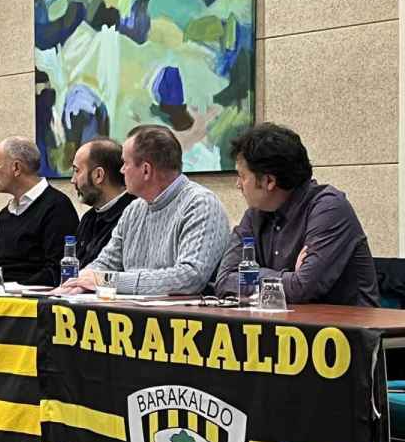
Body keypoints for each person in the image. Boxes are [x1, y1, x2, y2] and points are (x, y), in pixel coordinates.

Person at [213, 122, 379, 306]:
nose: (238, 185)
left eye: (242, 176)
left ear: (269, 181)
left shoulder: (329, 208)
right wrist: (288, 277)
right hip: (282, 328)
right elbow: (223, 281)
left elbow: (302, 289)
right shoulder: (255, 215)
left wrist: (252, 275)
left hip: (343, 329)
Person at [56, 124, 230, 295]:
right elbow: (105, 263)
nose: (121, 170)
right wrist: (76, 285)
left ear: (146, 170)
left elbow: (190, 277)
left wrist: (108, 281)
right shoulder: (133, 209)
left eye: (125, 163)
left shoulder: (201, 204)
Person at [0, 136, 78, 286]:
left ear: (16, 168)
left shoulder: (57, 207)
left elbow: (56, 272)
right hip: (3, 299)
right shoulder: (5, 215)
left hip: (34, 302)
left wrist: (13, 288)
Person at [70, 139, 134, 267]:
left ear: (98, 175)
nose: (73, 180)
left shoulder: (133, 216)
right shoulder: (88, 218)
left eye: (77, 171)